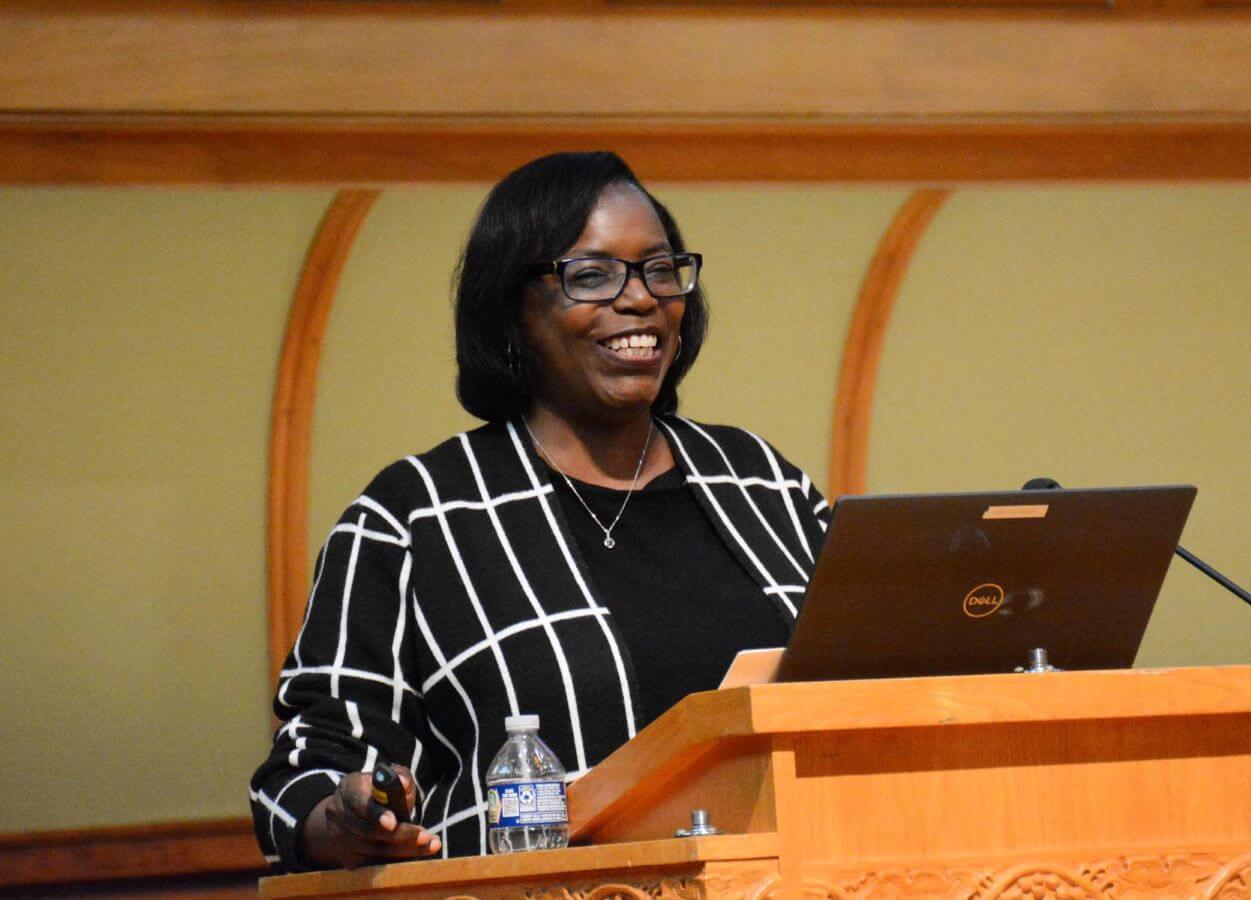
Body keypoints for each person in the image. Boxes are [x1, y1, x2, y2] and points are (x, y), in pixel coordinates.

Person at [249, 151, 830, 872]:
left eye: (658, 269)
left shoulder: (765, 486)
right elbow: (310, 760)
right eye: (591, 276)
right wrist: (342, 816)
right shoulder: (416, 518)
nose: (641, 298)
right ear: (511, 311)